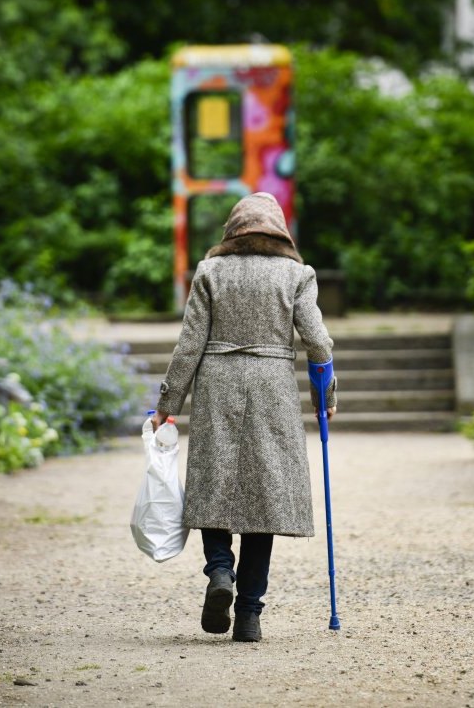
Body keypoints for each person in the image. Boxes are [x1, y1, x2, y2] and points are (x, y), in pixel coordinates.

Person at [150, 192, 336, 643]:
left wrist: (166, 406)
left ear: (232, 231)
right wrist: (323, 394)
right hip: (272, 385)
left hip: (218, 383)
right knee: (263, 502)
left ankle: (219, 574)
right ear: (280, 233)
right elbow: (319, 343)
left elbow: (189, 344)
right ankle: (250, 615)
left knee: (212, 485)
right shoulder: (296, 274)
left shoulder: (211, 271)